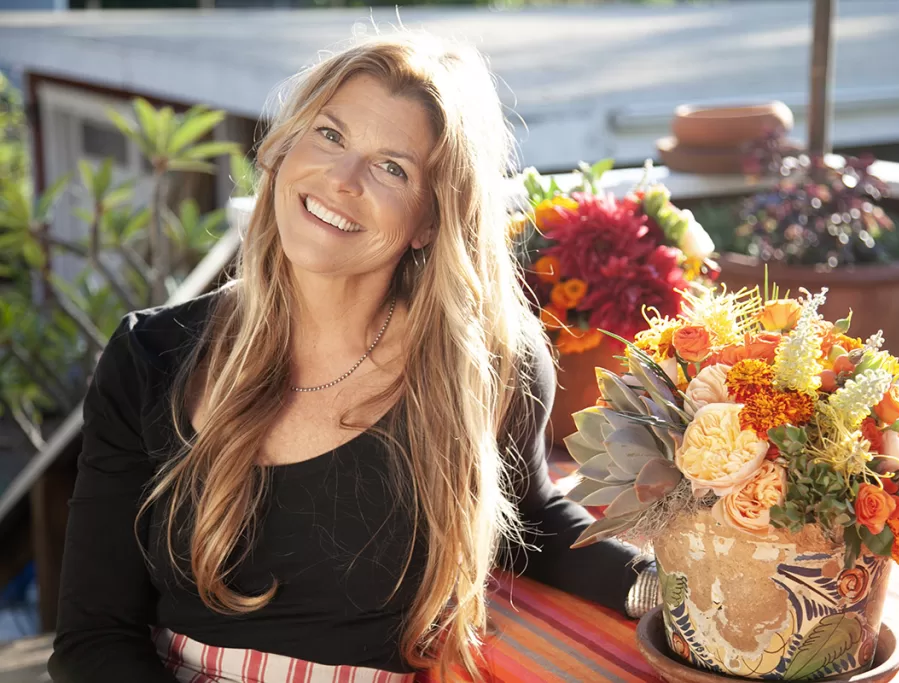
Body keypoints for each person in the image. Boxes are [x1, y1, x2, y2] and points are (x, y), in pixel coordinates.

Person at [48, 30, 658, 683]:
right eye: (330, 135)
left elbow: (529, 518)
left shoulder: (484, 363)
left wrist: (662, 590)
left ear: (429, 220)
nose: (341, 180)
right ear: (283, 152)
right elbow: (93, 640)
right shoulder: (152, 356)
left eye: (392, 167)